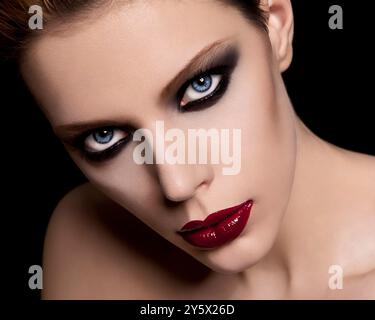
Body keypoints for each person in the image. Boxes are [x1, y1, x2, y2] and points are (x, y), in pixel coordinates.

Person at [1, 0, 374, 299]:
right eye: (104, 138)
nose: (177, 183)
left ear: (274, 24)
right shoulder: (84, 242)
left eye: (201, 86)